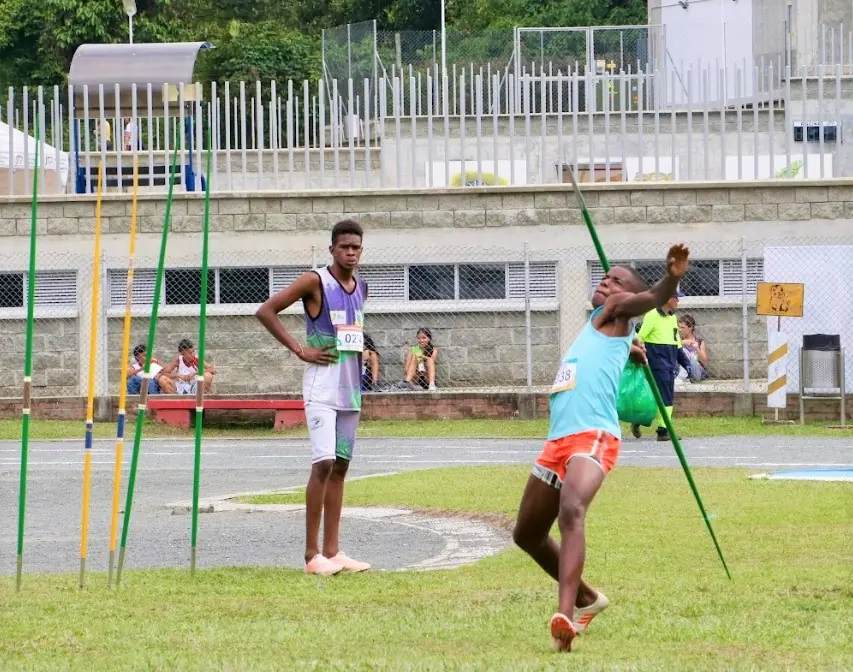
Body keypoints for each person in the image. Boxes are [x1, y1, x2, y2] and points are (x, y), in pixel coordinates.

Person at [512, 244, 690, 653]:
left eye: (616, 281)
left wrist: (672, 278)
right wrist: (628, 348)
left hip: (592, 437)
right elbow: (601, 351)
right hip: (557, 440)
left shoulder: (619, 310)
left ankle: (566, 617)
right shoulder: (600, 322)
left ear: (624, 298)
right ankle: (590, 598)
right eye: (605, 277)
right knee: (527, 534)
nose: (606, 282)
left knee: (571, 511)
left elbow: (649, 298)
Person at [255, 219, 371, 576]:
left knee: (340, 466)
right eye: (345, 247)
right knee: (322, 464)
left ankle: (334, 552)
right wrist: (299, 350)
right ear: (332, 249)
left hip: (351, 389)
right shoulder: (315, 281)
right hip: (322, 386)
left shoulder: (362, 287)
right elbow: (266, 311)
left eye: (356, 247)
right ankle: (311, 555)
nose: (351, 252)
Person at [632, 292, 692, 442]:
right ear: (668, 300)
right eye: (676, 298)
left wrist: (686, 363)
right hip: (657, 364)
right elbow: (640, 337)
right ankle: (663, 430)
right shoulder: (652, 316)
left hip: (670, 364)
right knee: (666, 397)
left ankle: (638, 420)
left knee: (655, 397)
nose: (678, 302)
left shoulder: (672, 318)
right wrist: (638, 354)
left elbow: (676, 343)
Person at [678, 314, 709, 382]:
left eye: (682, 327)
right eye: (679, 327)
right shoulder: (678, 341)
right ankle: (683, 378)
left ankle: (681, 379)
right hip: (680, 370)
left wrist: (697, 349)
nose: (680, 330)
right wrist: (682, 342)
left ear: (690, 327)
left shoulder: (699, 342)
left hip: (695, 373)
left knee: (684, 351)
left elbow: (705, 363)